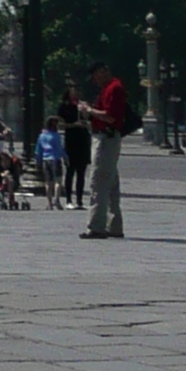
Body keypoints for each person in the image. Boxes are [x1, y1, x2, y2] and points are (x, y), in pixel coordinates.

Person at [82, 61, 127, 239]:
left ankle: (96, 226)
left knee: (98, 182)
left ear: (102, 71)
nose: (94, 80)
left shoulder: (114, 88)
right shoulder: (112, 87)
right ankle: (114, 224)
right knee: (111, 183)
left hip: (106, 138)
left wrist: (90, 110)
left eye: (95, 76)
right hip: (109, 137)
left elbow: (110, 117)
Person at [59, 85, 91, 210]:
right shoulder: (64, 106)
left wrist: (85, 113)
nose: (76, 93)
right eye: (73, 91)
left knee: (81, 172)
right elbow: (60, 124)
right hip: (71, 140)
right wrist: (73, 124)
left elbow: (89, 120)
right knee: (70, 170)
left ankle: (79, 200)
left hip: (83, 140)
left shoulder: (82, 105)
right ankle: (68, 199)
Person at [34, 114, 62, 204]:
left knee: (48, 182)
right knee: (58, 180)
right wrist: (65, 157)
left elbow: (38, 150)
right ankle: (57, 199)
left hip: (45, 159)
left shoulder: (42, 136)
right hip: (55, 158)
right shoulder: (56, 136)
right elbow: (60, 148)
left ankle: (49, 202)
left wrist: (38, 161)